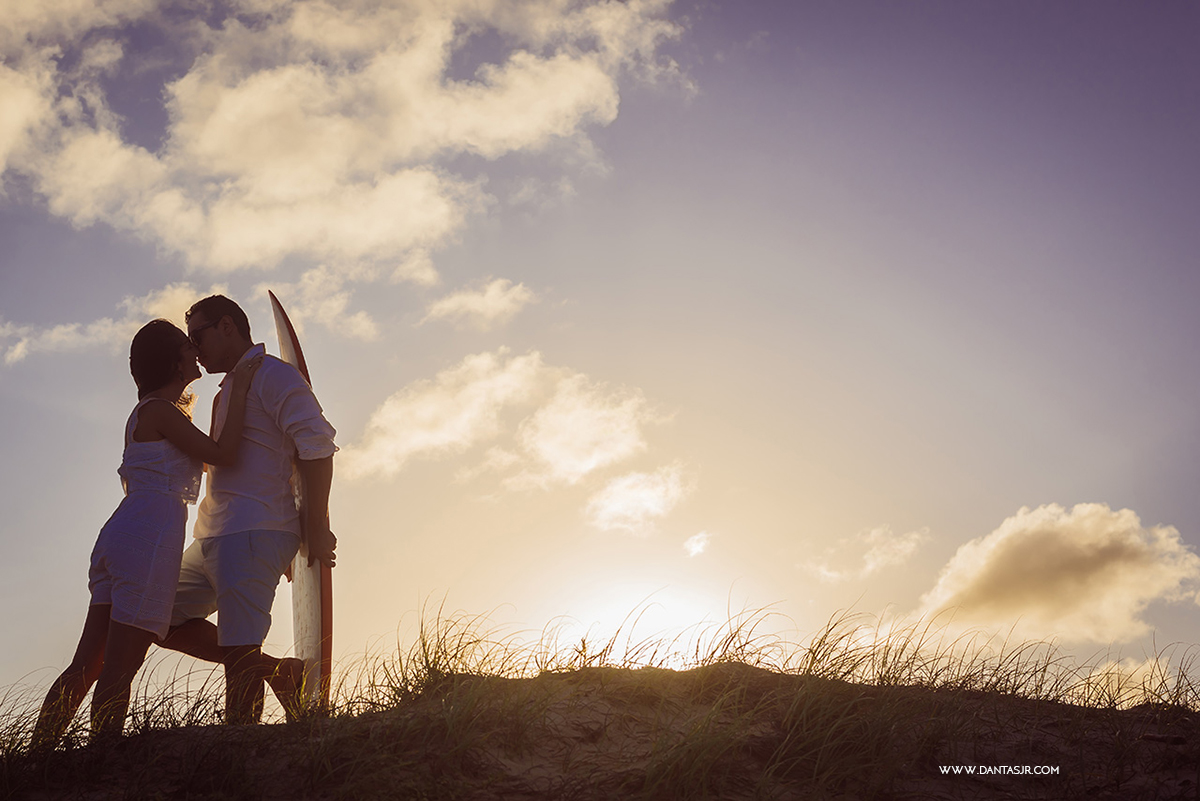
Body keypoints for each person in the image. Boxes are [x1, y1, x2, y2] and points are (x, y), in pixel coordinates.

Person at [32, 320, 263, 747]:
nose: (195, 350)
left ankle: (36, 757)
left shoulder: (151, 412)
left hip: (123, 533)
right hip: (147, 539)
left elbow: (209, 455)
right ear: (174, 362)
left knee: (88, 662)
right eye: (187, 346)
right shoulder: (159, 411)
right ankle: (105, 761)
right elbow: (224, 455)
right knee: (120, 664)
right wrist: (243, 389)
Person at [158, 294, 337, 724]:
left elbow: (317, 444)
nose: (193, 347)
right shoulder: (230, 389)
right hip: (214, 534)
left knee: (240, 661)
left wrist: (312, 525)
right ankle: (282, 672)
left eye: (197, 335)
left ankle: (240, 755)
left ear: (226, 327)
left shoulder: (274, 375)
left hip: (254, 532)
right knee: (157, 618)